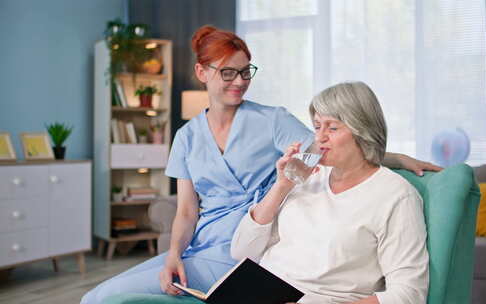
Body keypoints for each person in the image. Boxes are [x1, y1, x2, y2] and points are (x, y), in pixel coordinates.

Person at [81, 26, 438, 304]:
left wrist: (394, 157)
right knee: (105, 294)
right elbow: (186, 212)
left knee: (102, 297)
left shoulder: (272, 121)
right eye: (228, 73)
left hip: (243, 253)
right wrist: (174, 254)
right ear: (202, 73)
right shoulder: (187, 136)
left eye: (245, 72)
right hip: (206, 248)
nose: (240, 82)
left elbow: (327, 150)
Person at [231, 81, 429, 304]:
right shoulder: (306, 177)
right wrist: (281, 187)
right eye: (317, 126)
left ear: (362, 131)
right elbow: (241, 250)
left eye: (332, 128)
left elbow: (409, 294)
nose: (319, 137)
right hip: (259, 291)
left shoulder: (396, 196)